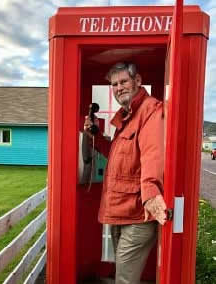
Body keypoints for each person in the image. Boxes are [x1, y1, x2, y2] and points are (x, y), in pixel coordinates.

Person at [84, 62, 167, 284]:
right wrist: (96, 135)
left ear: (137, 81)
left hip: (138, 213)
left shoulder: (150, 110)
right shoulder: (127, 117)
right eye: (114, 84)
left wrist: (151, 192)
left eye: (123, 82)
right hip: (120, 209)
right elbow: (116, 157)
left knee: (124, 279)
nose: (118, 87)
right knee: (122, 274)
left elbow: (152, 152)